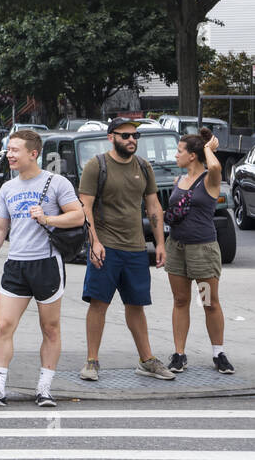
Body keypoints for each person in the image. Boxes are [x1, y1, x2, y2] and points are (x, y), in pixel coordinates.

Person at [0, 130, 84, 407]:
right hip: (16, 265)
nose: (9, 154)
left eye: (15, 150)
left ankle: (44, 388)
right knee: (3, 326)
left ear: (33, 154)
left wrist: (48, 217)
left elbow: (78, 215)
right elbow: (0, 227)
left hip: (46, 264)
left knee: (50, 328)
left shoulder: (56, 183)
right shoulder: (8, 188)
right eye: (9, 150)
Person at [78, 117, 173, 381]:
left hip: (135, 248)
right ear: (111, 138)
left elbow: (153, 207)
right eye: (125, 136)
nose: (132, 140)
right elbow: (85, 206)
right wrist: (94, 242)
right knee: (99, 303)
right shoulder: (96, 166)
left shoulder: (143, 167)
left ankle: (146, 360)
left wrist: (160, 243)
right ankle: (92, 361)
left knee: (136, 305)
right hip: (106, 246)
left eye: (135, 136)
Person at [165, 128, 235, 374]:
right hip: (177, 249)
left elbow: (215, 167)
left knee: (208, 302)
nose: (175, 156)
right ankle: (179, 354)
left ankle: (219, 353)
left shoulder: (209, 179)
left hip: (201, 251)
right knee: (180, 300)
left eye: (179, 151)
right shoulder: (178, 181)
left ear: (192, 155)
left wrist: (208, 147)